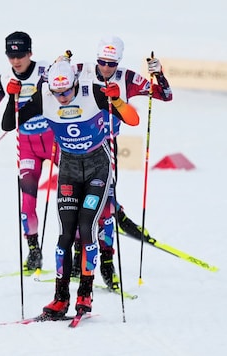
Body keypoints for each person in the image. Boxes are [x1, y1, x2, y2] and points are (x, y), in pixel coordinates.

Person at [3, 58, 140, 317]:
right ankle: (60, 298)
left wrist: (118, 101)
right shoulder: (46, 98)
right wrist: (12, 99)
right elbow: (9, 124)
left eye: (66, 91)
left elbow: (132, 120)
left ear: (75, 84)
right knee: (65, 234)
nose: (62, 98)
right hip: (69, 169)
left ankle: (85, 296)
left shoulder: (93, 93)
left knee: (87, 226)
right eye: (57, 93)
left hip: (98, 166)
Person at [70, 35, 173, 290]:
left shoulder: (127, 78)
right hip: (76, 147)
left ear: (119, 62)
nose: (106, 68)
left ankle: (107, 262)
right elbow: (49, 85)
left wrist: (158, 74)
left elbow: (165, 95)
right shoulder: (80, 71)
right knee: (74, 203)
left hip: (107, 148)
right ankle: (76, 256)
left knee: (104, 209)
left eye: (111, 64)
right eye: (102, 62)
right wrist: (60, 64)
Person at [0, 31, 56, 273]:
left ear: (30, 53)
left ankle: (76, 253)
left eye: (21, 55)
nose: (16, 61)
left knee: (69, 199)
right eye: (11, 56)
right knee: (27, 204)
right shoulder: (4, 78)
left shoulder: (45, 69)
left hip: (56, 142)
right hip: (27, 146)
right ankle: (34, 251)